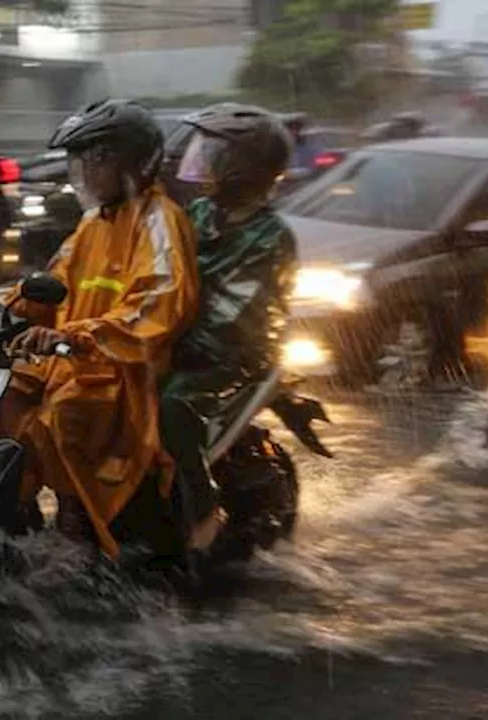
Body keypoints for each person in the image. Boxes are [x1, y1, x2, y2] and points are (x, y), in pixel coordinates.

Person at [0, 99, 200, 559]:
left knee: (62, 416)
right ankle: (11, 513)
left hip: (124, 368)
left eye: (98, 159)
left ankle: (82, 529)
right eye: (82, 161)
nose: (86, 173)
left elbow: (159, 302)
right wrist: (0, 314)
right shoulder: (94, 222)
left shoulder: (158, 220)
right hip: (74, 358)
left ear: (135, 163)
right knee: (0, 396)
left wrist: (76, 335)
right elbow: (54, 279)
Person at [157, 103, 299, 554]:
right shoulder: (198, 213)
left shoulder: (270, 236)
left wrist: (168, 345)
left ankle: (202, 513)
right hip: (180, 340)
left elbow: (234, 314)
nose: (204, 161)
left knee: (174, 403)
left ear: (246, 168)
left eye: (216, 153)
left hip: (233, 353)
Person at [282, 113, 317, 180]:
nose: (293, 132)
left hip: (302, 177)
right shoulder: (278, 144)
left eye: (296, 129)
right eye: (291, 128)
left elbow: (311, 164)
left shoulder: (305, 144)